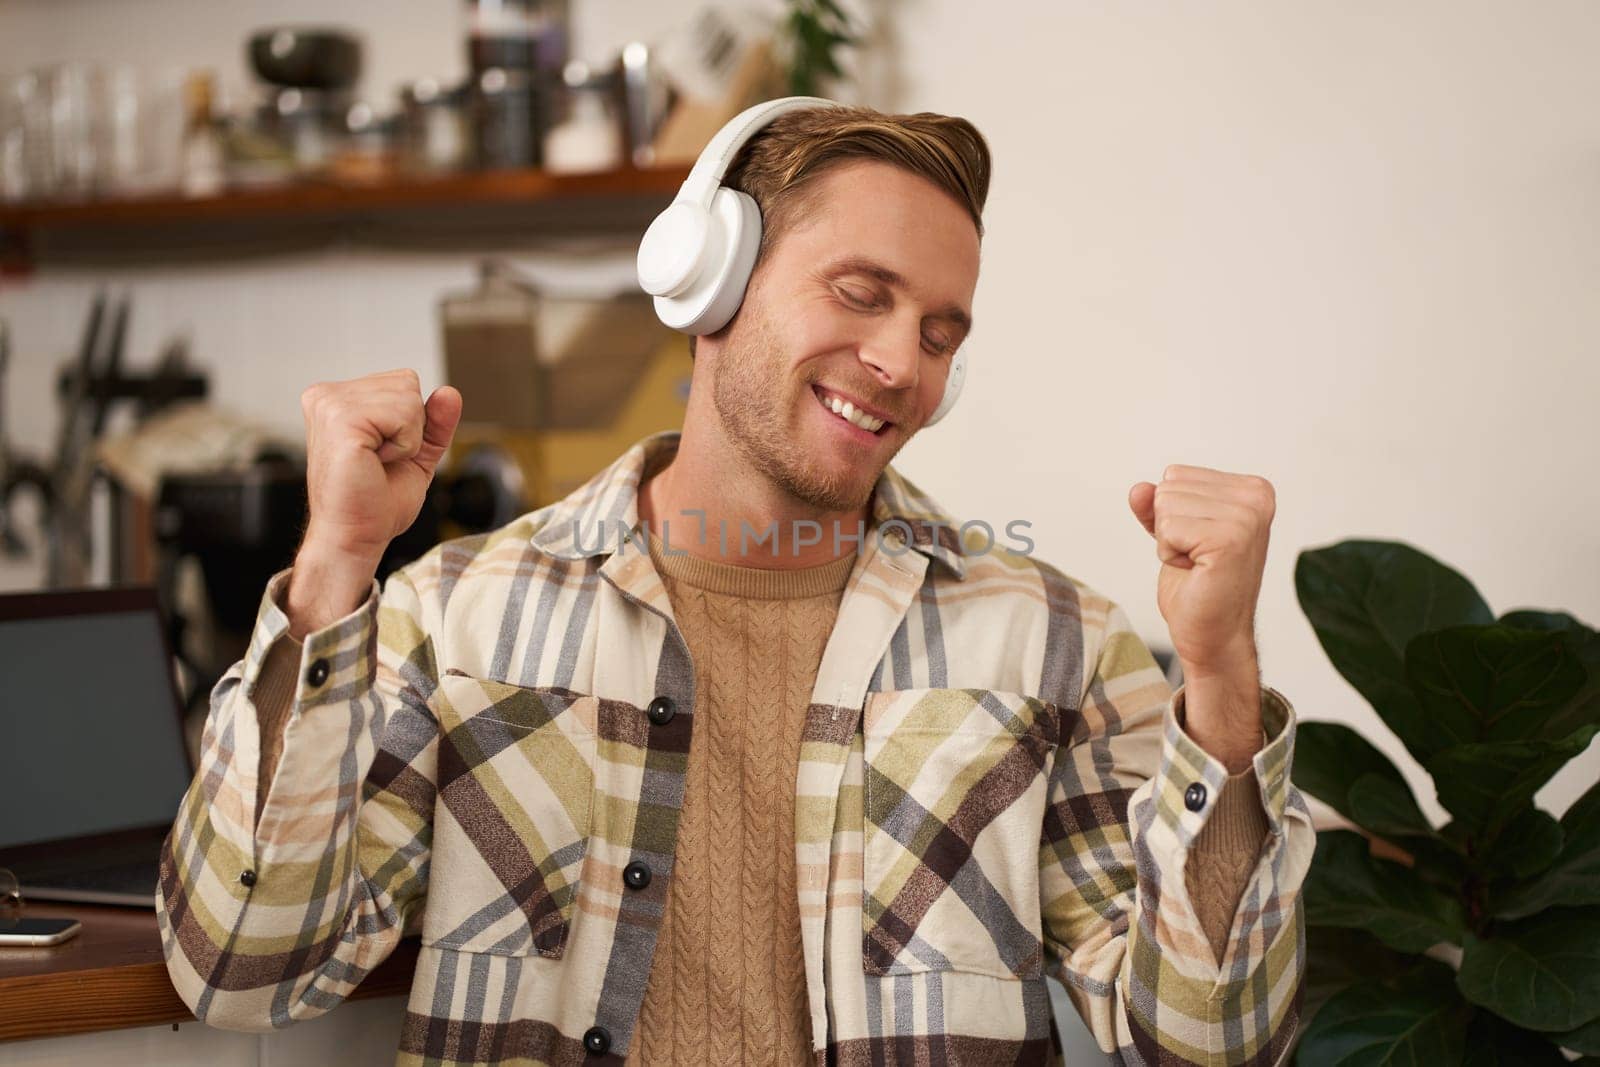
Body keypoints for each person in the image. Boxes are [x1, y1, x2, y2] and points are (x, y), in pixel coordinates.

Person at [157, 99, 1314, 1066]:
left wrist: (1217, 673)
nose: (902, 363)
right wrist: (335, 564)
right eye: (861, 293)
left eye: (939, 332)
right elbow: (240, 968)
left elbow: (1209, 1046)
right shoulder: (456, 616)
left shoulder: (1056, 642)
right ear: (707, 277)